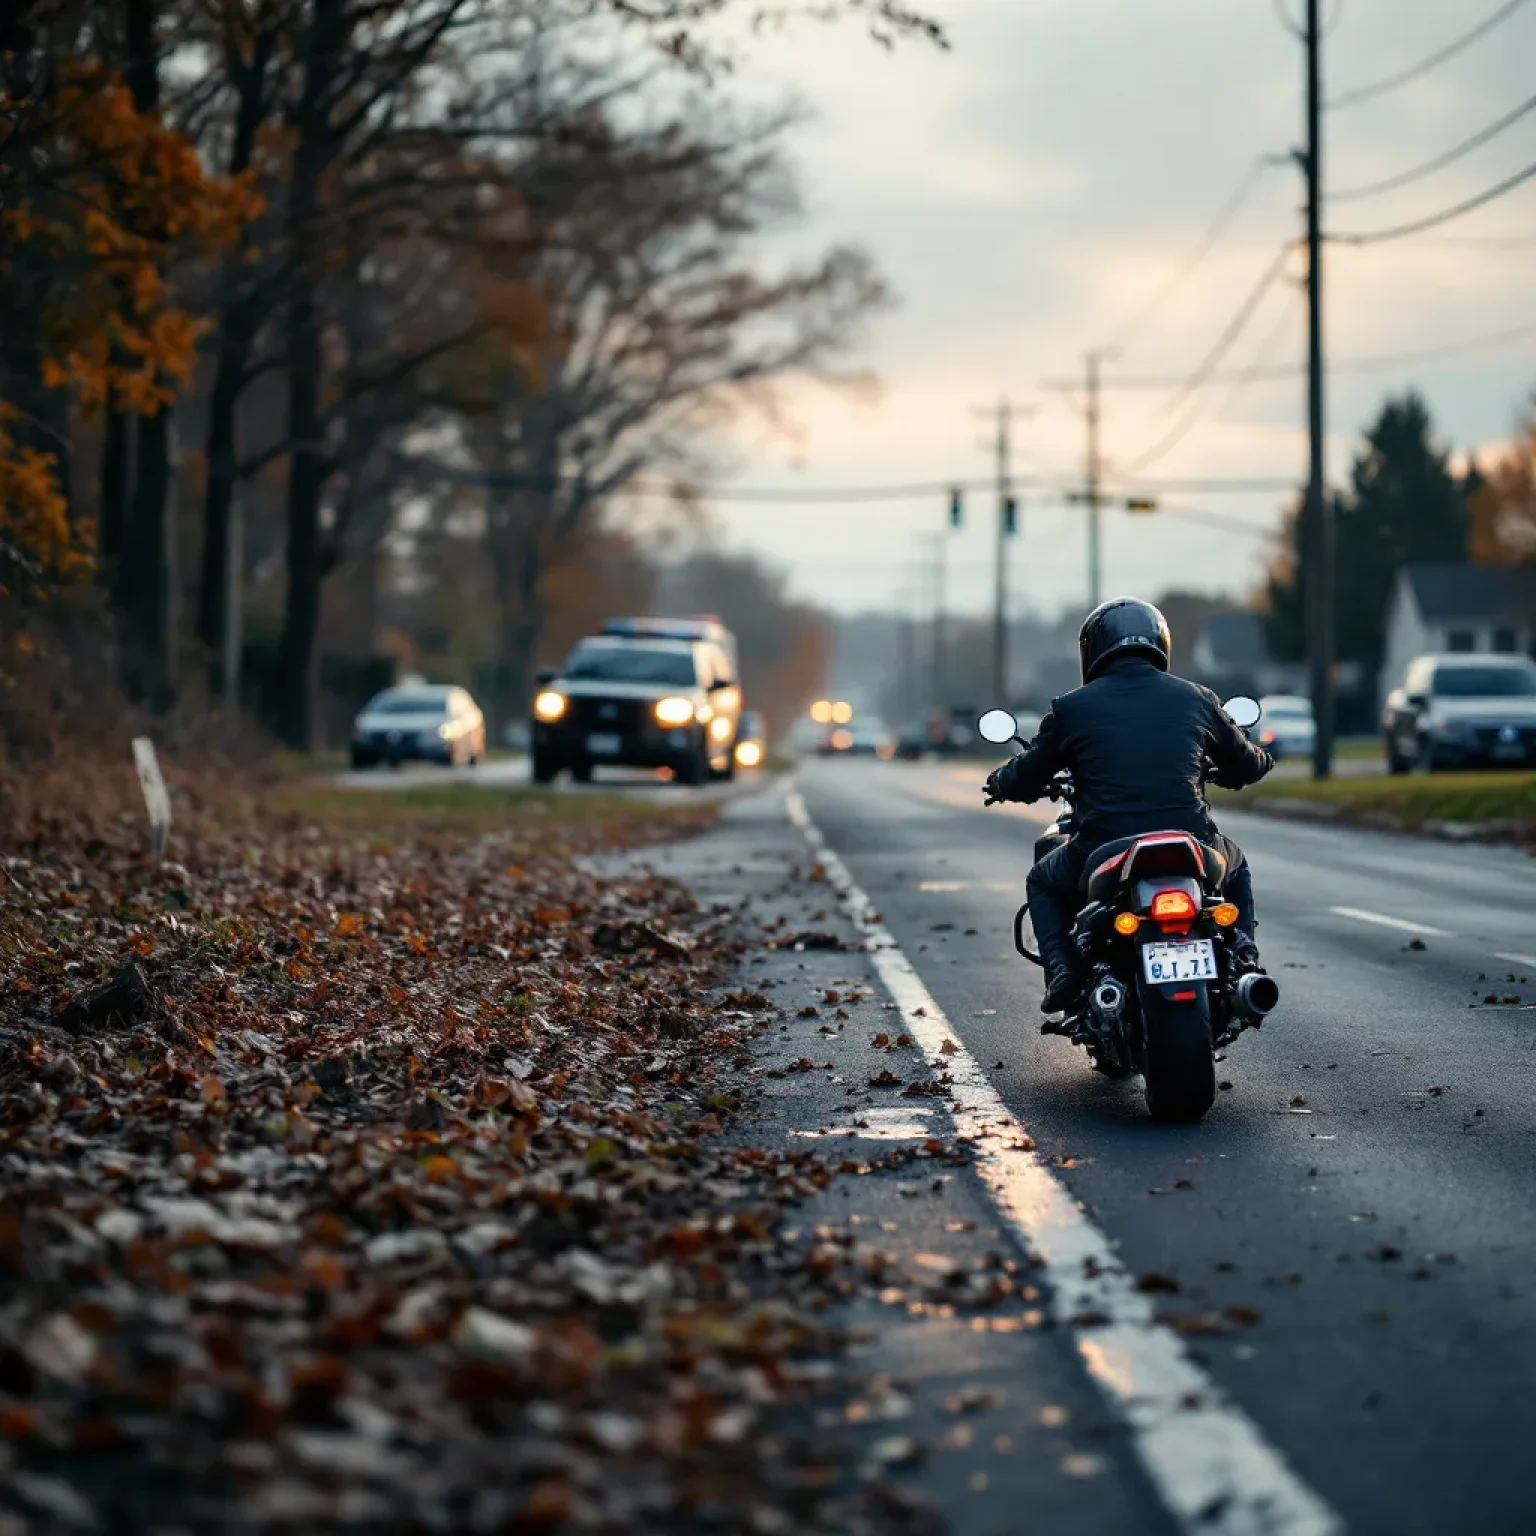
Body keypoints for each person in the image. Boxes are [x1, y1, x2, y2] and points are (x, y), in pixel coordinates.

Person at [985, 597, 1273, 1017]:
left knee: (1042, 880)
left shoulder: (1072, 708)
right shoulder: (1197, 698)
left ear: (1093, 650)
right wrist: (1257, 762)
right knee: (1237, 862)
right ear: (1160, 645)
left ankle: (1063, 971)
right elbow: (1247, 762)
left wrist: (1000, 782)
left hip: (1102, 848)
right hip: (1191, 841)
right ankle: (1244, 952)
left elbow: (1028, 772)